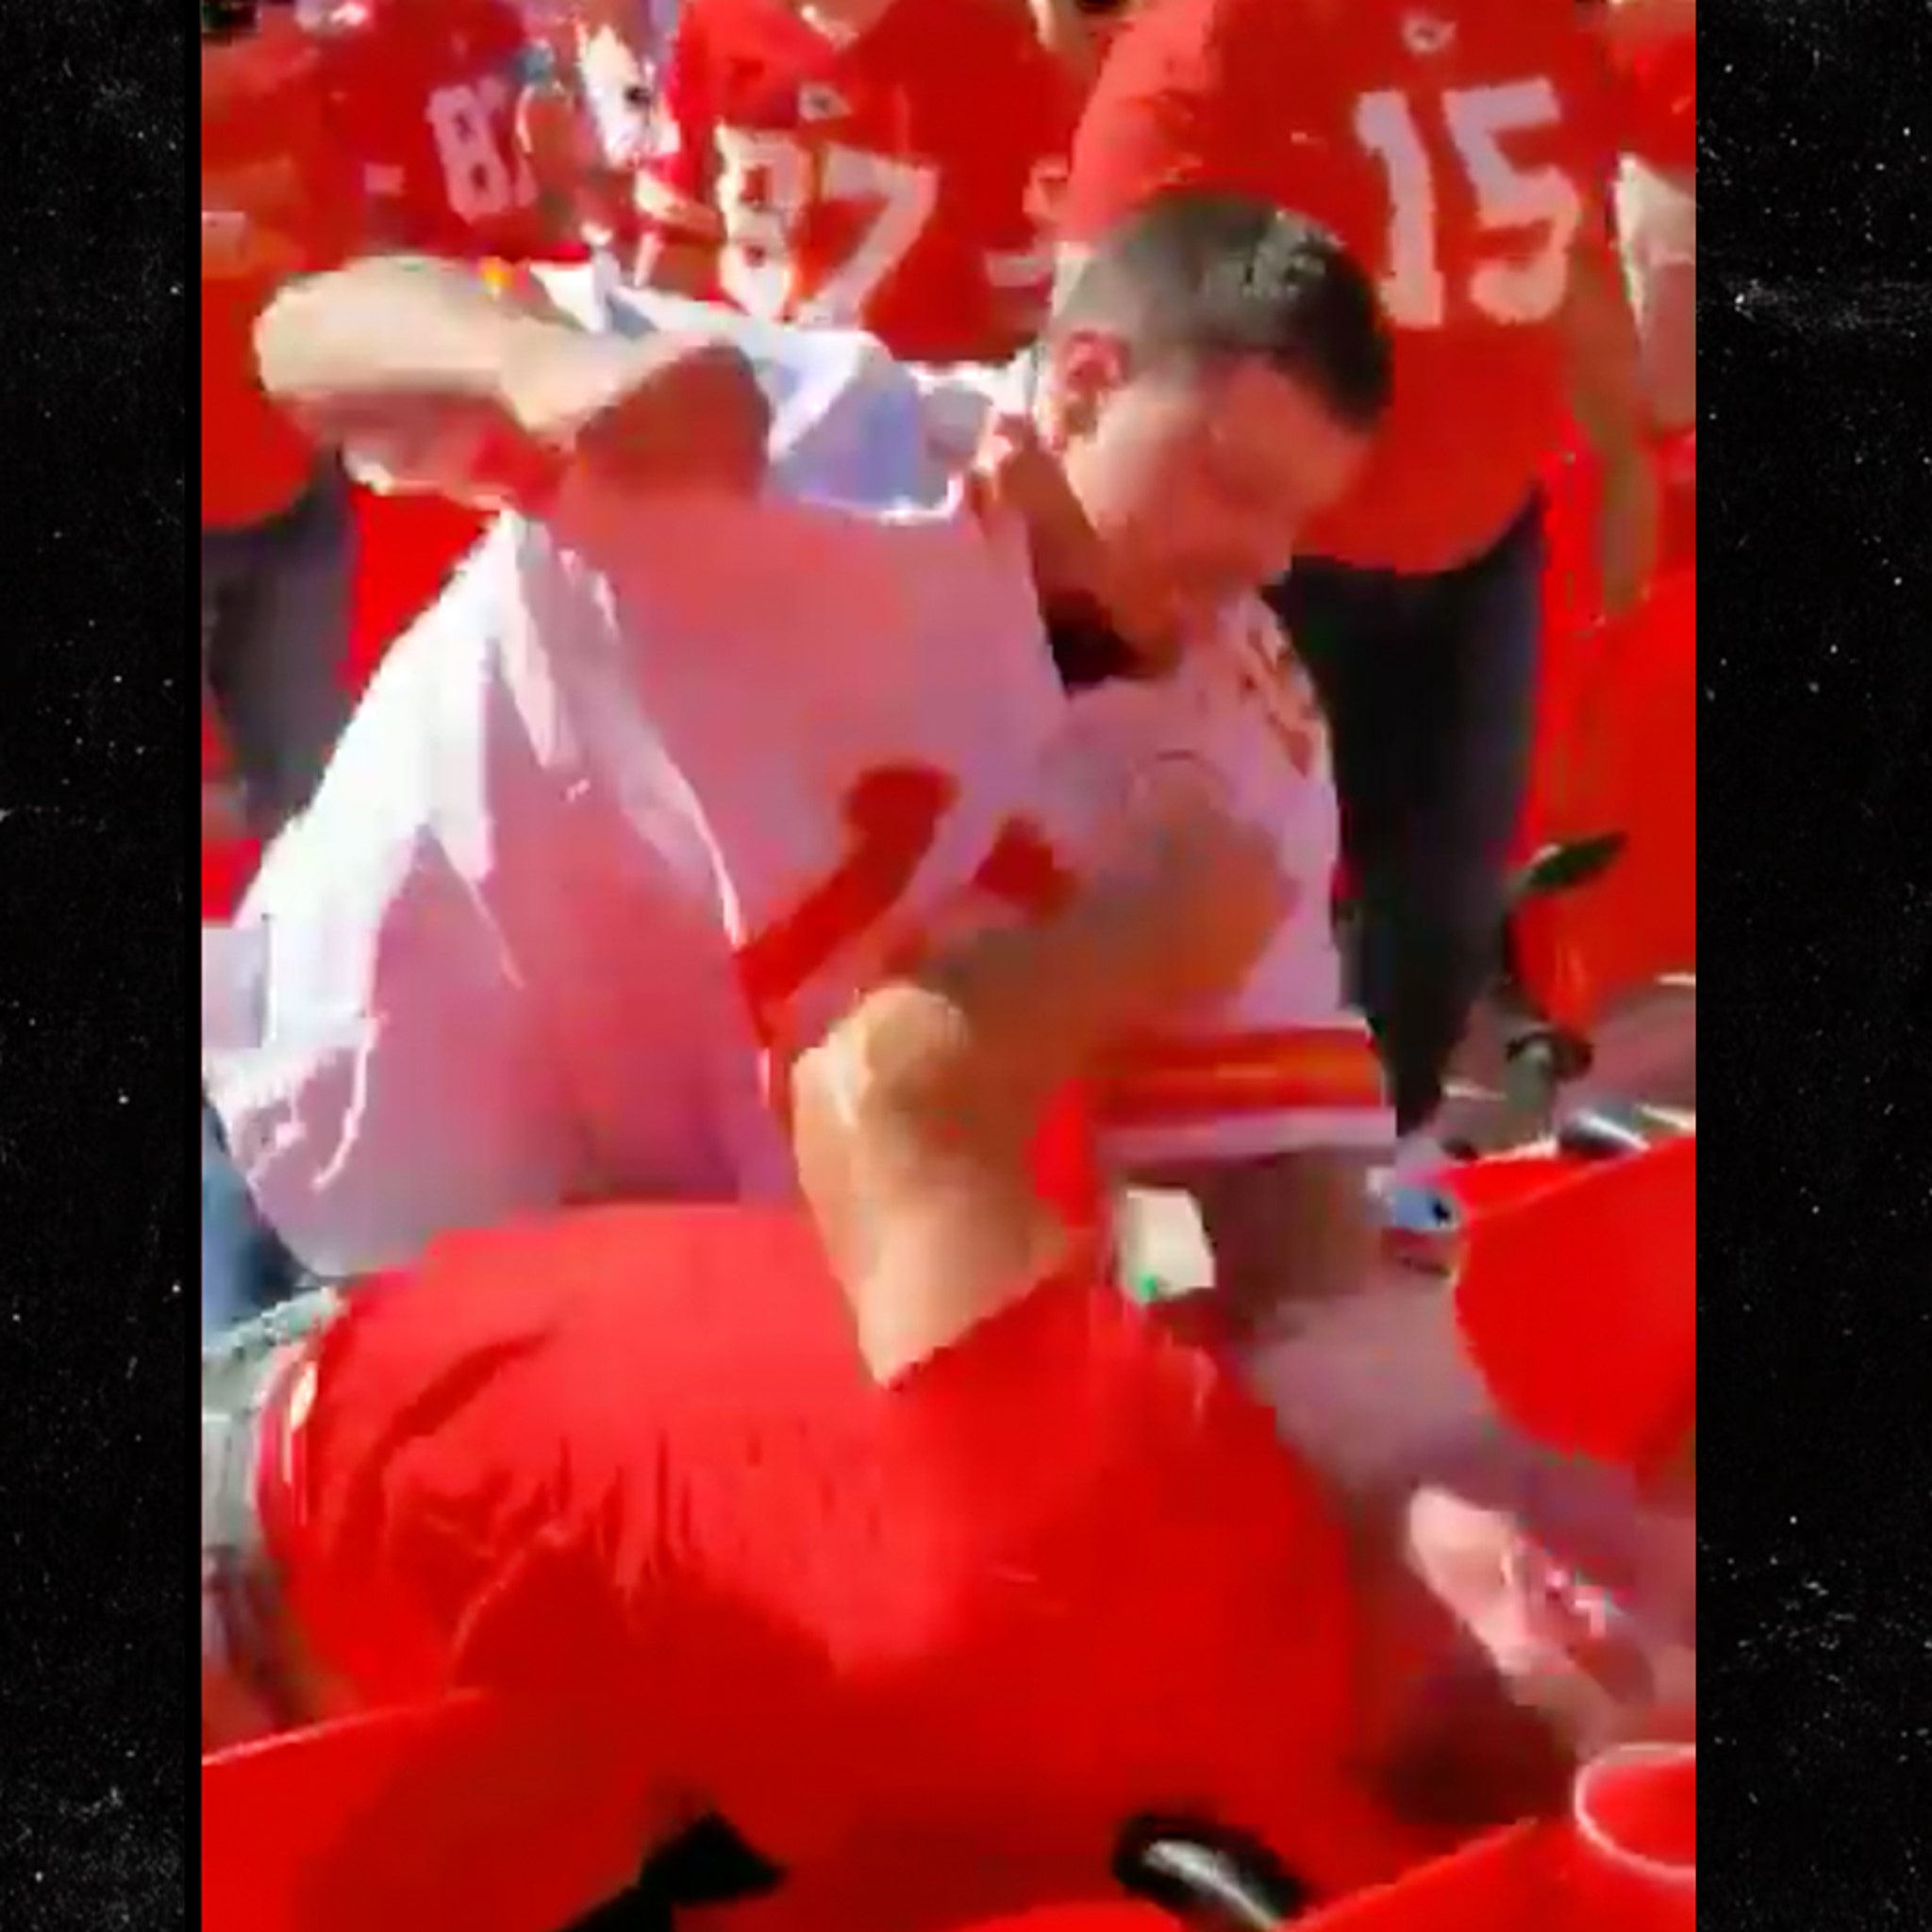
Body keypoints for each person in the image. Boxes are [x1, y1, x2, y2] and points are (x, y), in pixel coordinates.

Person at [201, 774, 1692, 1930]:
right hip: (539, 1762)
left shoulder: (1142, 1509)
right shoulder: (1326, 1842)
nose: (1649, 1528)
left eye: (1628, 1573)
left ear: (1561, 1610)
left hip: (275, 1537)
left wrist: (1162, 925)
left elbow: (882, 1089)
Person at [204, 192, 1392, 1313]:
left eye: (1300, 516)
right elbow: (314, 327)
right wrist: (549, 369)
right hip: (349, 1148)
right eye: (1233, 484)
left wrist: (1380, 1421)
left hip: (672, 1299)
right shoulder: (808, 433)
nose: (1266, 559)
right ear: (1084, 385)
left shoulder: (1243, 739)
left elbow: (1275, 1169)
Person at [1060, 0, 1660, 1174]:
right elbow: (1090, 342)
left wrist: (1626, 450)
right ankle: (1192, 1214)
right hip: (1274, 564)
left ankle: (1378, 1162)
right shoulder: (1213, 41)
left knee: (1439, 907)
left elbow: (1563, 248)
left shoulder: (1546, 27)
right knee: (1225, 919)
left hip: (1479, 540)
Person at [629, 0, 1079, 360]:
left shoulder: (984, 41)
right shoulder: (717, 17)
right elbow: (674, 246)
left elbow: (1019, 302)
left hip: (919, 402)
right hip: (750, 380)